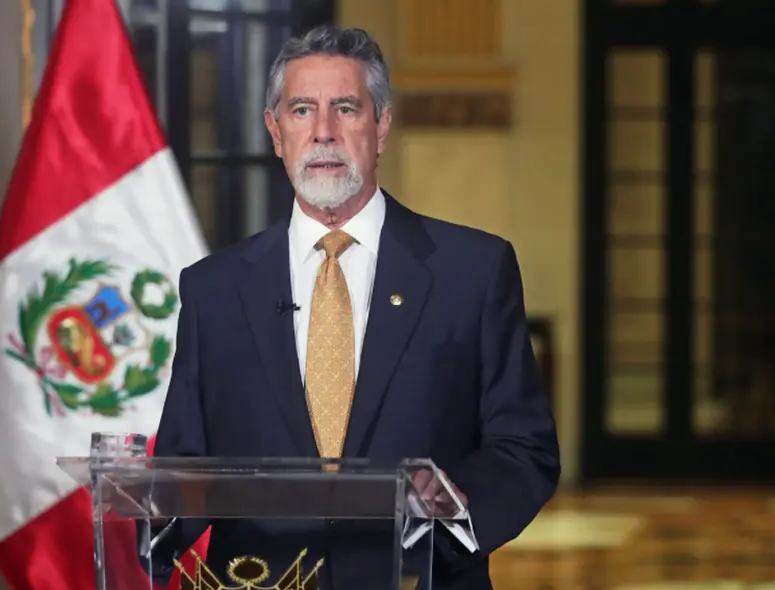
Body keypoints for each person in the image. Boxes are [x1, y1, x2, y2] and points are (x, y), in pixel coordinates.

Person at [147, 25, 560, 590]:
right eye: (300, 110)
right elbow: (182, 470)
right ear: (275, 131)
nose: (323, 132)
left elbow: (523, 449)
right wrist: (149, 524)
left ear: (381, 125)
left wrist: (450, 508)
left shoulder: (473, 272)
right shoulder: (212, 289)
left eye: (345, 108)